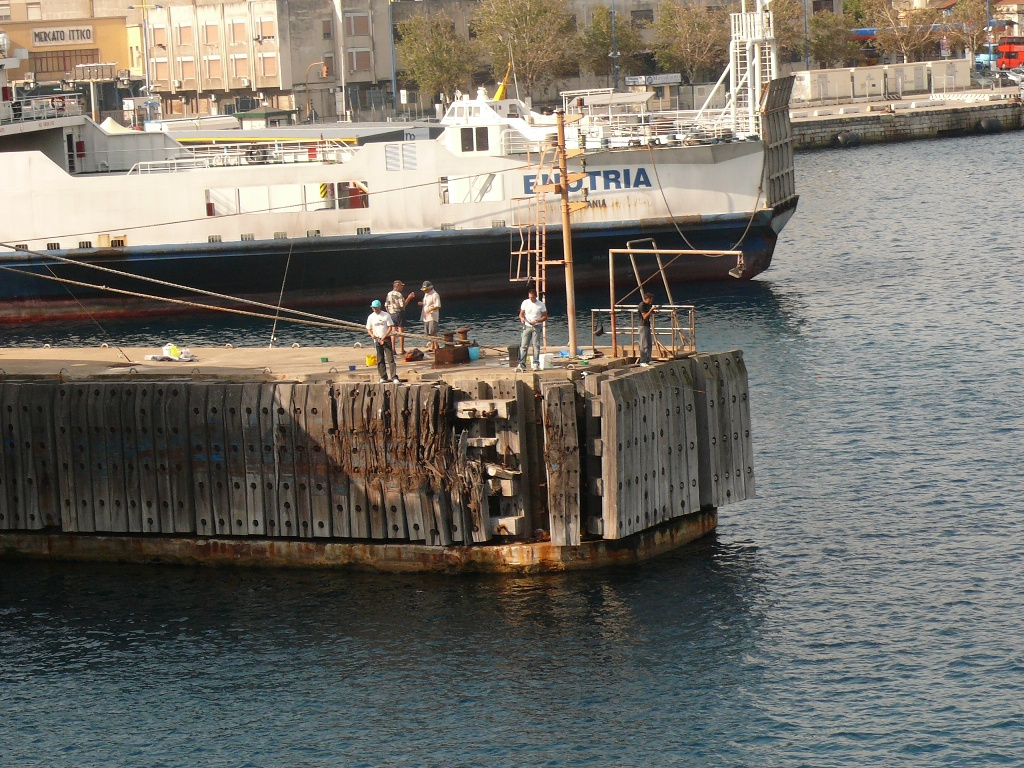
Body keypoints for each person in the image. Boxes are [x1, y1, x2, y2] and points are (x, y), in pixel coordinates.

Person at [366, 299, 399, 383]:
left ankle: (394, 376)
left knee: (390, 358)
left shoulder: (386, 315)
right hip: (377, 339)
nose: (374, 309)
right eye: (373, 308)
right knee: (380, 359)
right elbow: (368, 328)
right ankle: (383, 376)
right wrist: (372, 335)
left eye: (376, 307)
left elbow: (390, 327)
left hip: (386, 338)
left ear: (379, 307)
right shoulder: (371, 317)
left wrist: (384, 337)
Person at [516, 286, 548, 372]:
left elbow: (545, 316)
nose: (531, 299)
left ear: (536, 296)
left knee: (536, 345)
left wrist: (537, 320)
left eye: (532, 297)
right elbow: (521, 314)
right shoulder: (525, 302)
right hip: (527, 326)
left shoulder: (541, 304)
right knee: (523, 346)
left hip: (536, 326)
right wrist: (522, 318)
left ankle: (536, 363)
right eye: (530, 297)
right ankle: (522, 364)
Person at [385, 280, 415, 354]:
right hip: (399, 313)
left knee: (393, 331)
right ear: (397, 286)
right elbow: (403, 305)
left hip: (391, 314)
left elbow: (386, 305)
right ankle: (402, 350)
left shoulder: (389, 294)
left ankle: (393, 349)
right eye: (401, 285)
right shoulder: (399, 294)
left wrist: (388, 313)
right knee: (401, 331)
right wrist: (409, 298)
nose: (402, 287)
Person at [418, 281, 441, 353]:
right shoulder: (426, 295)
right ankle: (432, 346)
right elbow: (426, 303)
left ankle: (436, 346)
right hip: (426, 316)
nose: (425, 291)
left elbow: (438, 305)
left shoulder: (435, 295)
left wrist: (430, 309)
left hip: (432, 316)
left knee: (433, 332)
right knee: (429, 333)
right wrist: (422, 304)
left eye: (426, 289)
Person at [637, 292, 655, 366]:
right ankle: (642, 361)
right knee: (643, 343)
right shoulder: (642, 305)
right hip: (643, 325)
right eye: (651, 299)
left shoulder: (648, 305)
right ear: (647, 298)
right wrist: (651, 310)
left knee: (649, 343)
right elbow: (644, 316)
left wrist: (653, 311)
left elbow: (650, 312)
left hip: (647, 325)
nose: (652, 300)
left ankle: (648, 359)